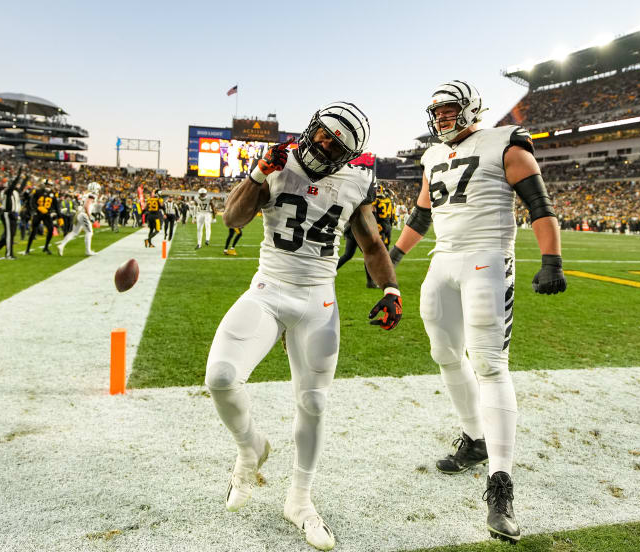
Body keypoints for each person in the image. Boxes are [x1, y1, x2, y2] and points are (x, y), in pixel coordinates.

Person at [204, 102, 401, 551]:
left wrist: (390, 289)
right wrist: (257, 174)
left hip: (319, 299)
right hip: (268, 289)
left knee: (312, 402)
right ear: (313, 127)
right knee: (220, 377)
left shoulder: (358, 179)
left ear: (348, 156)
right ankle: (251, 447)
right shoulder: (278, 160)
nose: (325, 143)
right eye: (325, 133)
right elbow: (233, 219)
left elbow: (370, 242)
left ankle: (300, 499)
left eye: (337, 144)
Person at [388, 81, 566, 543]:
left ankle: (501, 484)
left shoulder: (506, 142)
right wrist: (394, 258)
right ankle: (475, 440)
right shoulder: (432, 156)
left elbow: (539, 206)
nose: (442, 119)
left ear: (470, 109)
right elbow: (423, 215)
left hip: (488, 258)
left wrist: (552, 260)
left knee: (489, 364)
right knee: (444, 354)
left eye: (449, 111)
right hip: (443, 261)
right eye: (437, 112)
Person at [0, 167, 26, 259]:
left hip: (13, 214)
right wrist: (18, 175)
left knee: (11, 234)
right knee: (9, 235)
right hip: (7, 214)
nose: (16, 186)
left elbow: (21, 187)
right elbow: (14, 185)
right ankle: (8, 254)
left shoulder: (15, 192)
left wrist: (26, 179)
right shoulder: (7, 191)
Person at [57, 182, 100, 257]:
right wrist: (89, 216)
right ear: (95, 188)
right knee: (89, 232)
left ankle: (61, 245)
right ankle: (88, 251)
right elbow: (87, 205)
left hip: (79, 214)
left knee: (74, 232)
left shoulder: (85, 194)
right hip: (84, 214)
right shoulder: (92, 195)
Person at [24, 180, 59, 255]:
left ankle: (46, 247)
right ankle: (27, 249)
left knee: (51, 229)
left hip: (47, 214)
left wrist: (59, 216)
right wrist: (37, 209)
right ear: (44, 185)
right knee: (33, 231)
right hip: (38, 214)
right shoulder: (38, 191)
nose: (48, 186)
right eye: (47, 185)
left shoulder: (53, 194)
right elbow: (32, 202)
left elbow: (56, 205)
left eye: (49, 185)